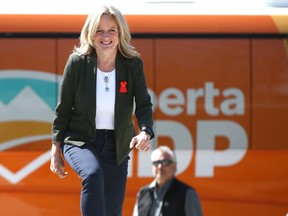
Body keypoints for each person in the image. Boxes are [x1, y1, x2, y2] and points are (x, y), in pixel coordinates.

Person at [50, 5, 154, 216]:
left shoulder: (132, 65)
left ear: (120, 33)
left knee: (112, 210)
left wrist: (145, 131)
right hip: (80, 140)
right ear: (91, 33)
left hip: (117, 145)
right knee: (92, 174)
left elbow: (143, 104)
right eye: (99, 30)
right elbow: (63, 110)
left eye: (111, 30)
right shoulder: (77, 63)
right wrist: (55, 150)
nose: (105, 36)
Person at [133, 146, 202, 216]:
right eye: (156, 163)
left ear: (174, 166)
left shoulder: (187, 193)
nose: (160, 166)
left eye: (165, 162)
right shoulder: (143, 193)